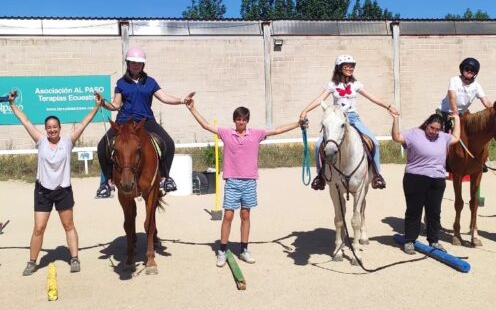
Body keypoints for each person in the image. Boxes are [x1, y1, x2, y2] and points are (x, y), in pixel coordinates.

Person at [186, 98, 300, 267]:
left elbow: (276, 130)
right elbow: (206, 125)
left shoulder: (256, 134)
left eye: (244, 119)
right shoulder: (226, 133)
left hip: (249, 181)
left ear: (247, 121)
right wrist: (192, 108)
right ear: (235, 120)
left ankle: (244, 249)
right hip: (232, 181)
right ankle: (222, 250)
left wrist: (298, 124)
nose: (241, 122)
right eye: (238, 119)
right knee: (228, 216)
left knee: (245, 215)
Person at [8, 91, 102, 275]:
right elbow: (26, 121)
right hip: (43, 191)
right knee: (39, 228)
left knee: (69, 225)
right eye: (49, 127)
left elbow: (84, 123)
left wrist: (97, 106)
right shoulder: (40, 141)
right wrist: (12, 105)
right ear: (45, 129)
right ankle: (32, 262)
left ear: (60, 128)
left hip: (63, 191)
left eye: (55, 127)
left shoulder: (68, 141)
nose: (52, 130)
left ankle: (74, 258)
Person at [95, 46, 194, 197]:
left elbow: (165, 97)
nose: (136, 65)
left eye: (139, 63)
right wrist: (103, 103)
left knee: (169, 143)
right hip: (124, 121)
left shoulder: (150, 82)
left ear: (143, 65)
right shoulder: (121, 83)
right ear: (128, 64)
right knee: (102, 146)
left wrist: (182, 100)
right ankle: (107, 182)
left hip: (145, 120)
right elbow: (115, 105)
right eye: (133, 62)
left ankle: (165, 177)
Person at [300, 54, 400, 190]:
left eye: (352, 66)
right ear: (339, 68)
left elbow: (371, 97)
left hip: (353, 118)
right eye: (347, 66)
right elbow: (319, 99)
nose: (350, 68)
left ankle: (377, 175)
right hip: (337, 119)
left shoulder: (356, 85)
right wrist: (305, 110)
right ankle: (320, 176)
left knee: (374, 142)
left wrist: (388, 106)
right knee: (319, 146)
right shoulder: (332, 85)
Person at [391, 112, 460, 254]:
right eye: (432, 128)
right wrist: (395, 119)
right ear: (427, 124)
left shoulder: (443, 137)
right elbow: (396, 137)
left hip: (437, 180)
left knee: (434, 211)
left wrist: (457, 120)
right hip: (415, 178)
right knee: (414, 210)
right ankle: (410, 240)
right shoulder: (414, 133)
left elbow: (456, 137)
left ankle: (434, 240)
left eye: (437, 129)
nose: (434, 132)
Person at [438, 57, 493, 130]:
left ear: (475, 73)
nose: (469, 71)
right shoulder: (455, 80)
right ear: (462, 69)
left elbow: (486, 101)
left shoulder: (476, 86)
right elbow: (452, 97)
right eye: (467, 69)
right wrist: (455, 112)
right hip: (444, 111)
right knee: (441, 132)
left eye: (472, 70)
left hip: (461, 114)